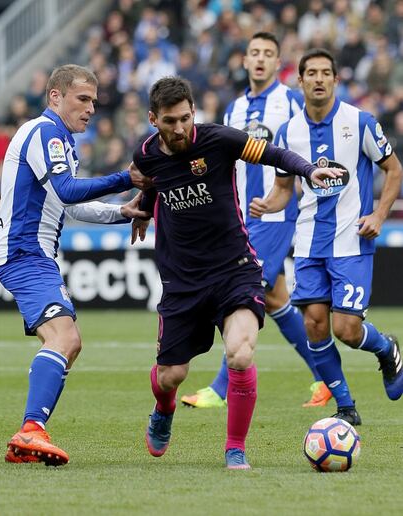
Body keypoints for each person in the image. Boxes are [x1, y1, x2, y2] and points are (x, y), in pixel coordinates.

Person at [132, 76, 343, 469]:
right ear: (153, 119)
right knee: (169, 377)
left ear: (194, 111)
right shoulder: (145, 153)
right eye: (169, 121)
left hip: (235, 268)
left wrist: (308, 170)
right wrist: (143, 209)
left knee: (240, 355)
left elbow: (275, 154)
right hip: (182, 280)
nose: (179, 128)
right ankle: (163, 410)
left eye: (185, 118)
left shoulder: (220, 139)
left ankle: (235, 448)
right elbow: (150, 182)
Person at [0, 64, 150, 466]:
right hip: (24, 251)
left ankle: (28, 435)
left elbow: (68, 203)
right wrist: (124, 179)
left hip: (33, 253)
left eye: (95, 101)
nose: (91, 108)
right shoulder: (45, 132)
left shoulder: (59, 139)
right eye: (83, 99)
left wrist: (121, 213)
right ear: (55, 97)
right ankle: (31, 429)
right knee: (65, 338)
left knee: (68, 342)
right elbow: (66, 189)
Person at [250, 48, 403, 425]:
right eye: (311, 73)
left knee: (346, 330)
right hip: (308, 243)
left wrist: (380, 214)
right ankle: (346, 407)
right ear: (299, 81)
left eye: (325, 73)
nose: (318, 79)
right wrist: (269, 204)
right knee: (315, 324)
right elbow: (284, 188)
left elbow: (394, 169)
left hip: (352, 241)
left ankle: (387, 349)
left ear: (336, 79)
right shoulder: (289, 132)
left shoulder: (360, 121)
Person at [180, 32, 332, 411]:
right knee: (276, 298)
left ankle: (220, 387)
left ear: (277, 62)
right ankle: (325, 378)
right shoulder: (233, 108)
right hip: (243, 219)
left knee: (242, 293)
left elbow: (309, 144)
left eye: (268, 53)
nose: (260, 59)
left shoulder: (291, 101)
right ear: (244, 61)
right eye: (254, 53)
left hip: (277, 214)